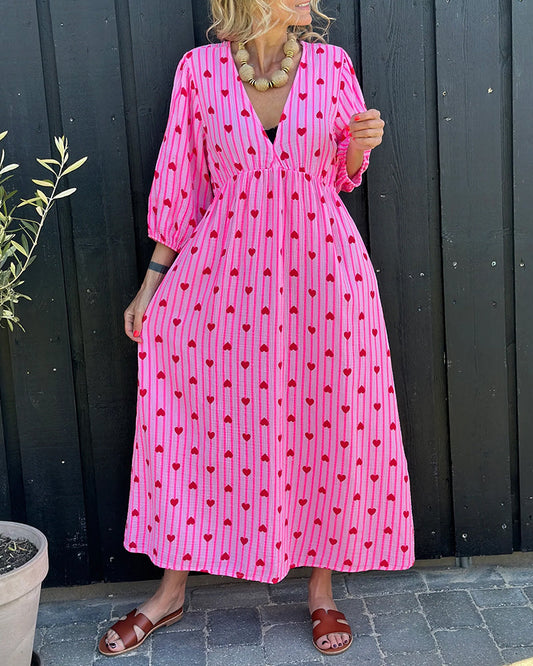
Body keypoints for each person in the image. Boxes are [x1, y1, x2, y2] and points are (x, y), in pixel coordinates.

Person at [98, 0, 415, 658]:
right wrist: (152, 283)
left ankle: (321, 589)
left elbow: (341, 175)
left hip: (322, 276)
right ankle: (171, 590)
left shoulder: (331, 66)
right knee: (195, 419)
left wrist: (359, 146)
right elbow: (182, 182)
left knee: (328, 420)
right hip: (224, 275)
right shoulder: (200, 71)